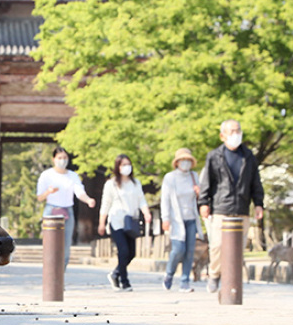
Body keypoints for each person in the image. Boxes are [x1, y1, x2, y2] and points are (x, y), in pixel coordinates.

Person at [198, 119, 265, 294]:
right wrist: (204, 203)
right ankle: (214, 274)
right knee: (218, 245)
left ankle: (231, 282)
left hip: (242, 208)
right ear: (222, 136)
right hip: (221, 208)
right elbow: (207, 182)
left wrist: (258, 204)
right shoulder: (214, 156)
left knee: (237, 249)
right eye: (232, 131)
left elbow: (255, 183)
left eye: (238, 131)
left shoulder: (248, 156)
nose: (236, 134)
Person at [37, 147, 96, 274]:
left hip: (67, 212)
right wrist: (49, 192)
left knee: (65, 246)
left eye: (65, 158)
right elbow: (39, 197)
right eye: (59, 158)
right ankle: (50, 274)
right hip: (51, 211)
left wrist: (88, 200)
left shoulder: (72, 176)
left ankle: (60, 275)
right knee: (51, 246)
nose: (62, 161)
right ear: (54, 159)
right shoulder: (46, 175)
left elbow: (79, 192)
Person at [98, 154, 151, 291]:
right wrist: (101, 223)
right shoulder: (111, 184)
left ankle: (115, 274)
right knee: (123, 250)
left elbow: (141, 200)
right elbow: (105, 204)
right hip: (116, 221)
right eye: (123, 165)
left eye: (128, 164)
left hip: (131, 221)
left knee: (131, 253)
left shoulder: (135, 183)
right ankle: (124, 281)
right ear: (117, 167)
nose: (126, 167)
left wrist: (146, 212)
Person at [160, 148, 203, 293]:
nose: (185, 163)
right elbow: (165, 200)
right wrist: (165, 218)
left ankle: (185, 281)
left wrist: (199, 192)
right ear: (177, 162)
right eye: (183, 160)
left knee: (189, 251)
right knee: (178, 249)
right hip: (176, 219)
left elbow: (200, 197)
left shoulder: (194, 176)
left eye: (188, 160)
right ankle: (169, 273)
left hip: (191, 218)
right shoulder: (170, 178)